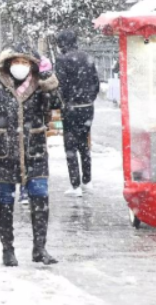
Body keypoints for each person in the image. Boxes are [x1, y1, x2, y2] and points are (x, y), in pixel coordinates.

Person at [0, 42, 60, 267]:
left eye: (25, 62)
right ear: (8, 64)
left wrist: (49, 81)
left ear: (32, 65)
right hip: (2, 152)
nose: (20, 66)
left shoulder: (39, 85)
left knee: (40, 197)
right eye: (16, 61)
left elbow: (56, 104)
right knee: (4, 201)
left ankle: (39, 248)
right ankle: (7, 249)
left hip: (34, 151)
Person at [55, 30, 100, 197]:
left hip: (71, 107)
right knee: (84, 144)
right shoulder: (86, 57)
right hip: (88, 107)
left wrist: (65, 101)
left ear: (61, 44)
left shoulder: (62, 60)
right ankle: (87, 181)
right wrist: (89, 98)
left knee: (70, 146)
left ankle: (75, 185)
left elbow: (61, 85)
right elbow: (96, 81)